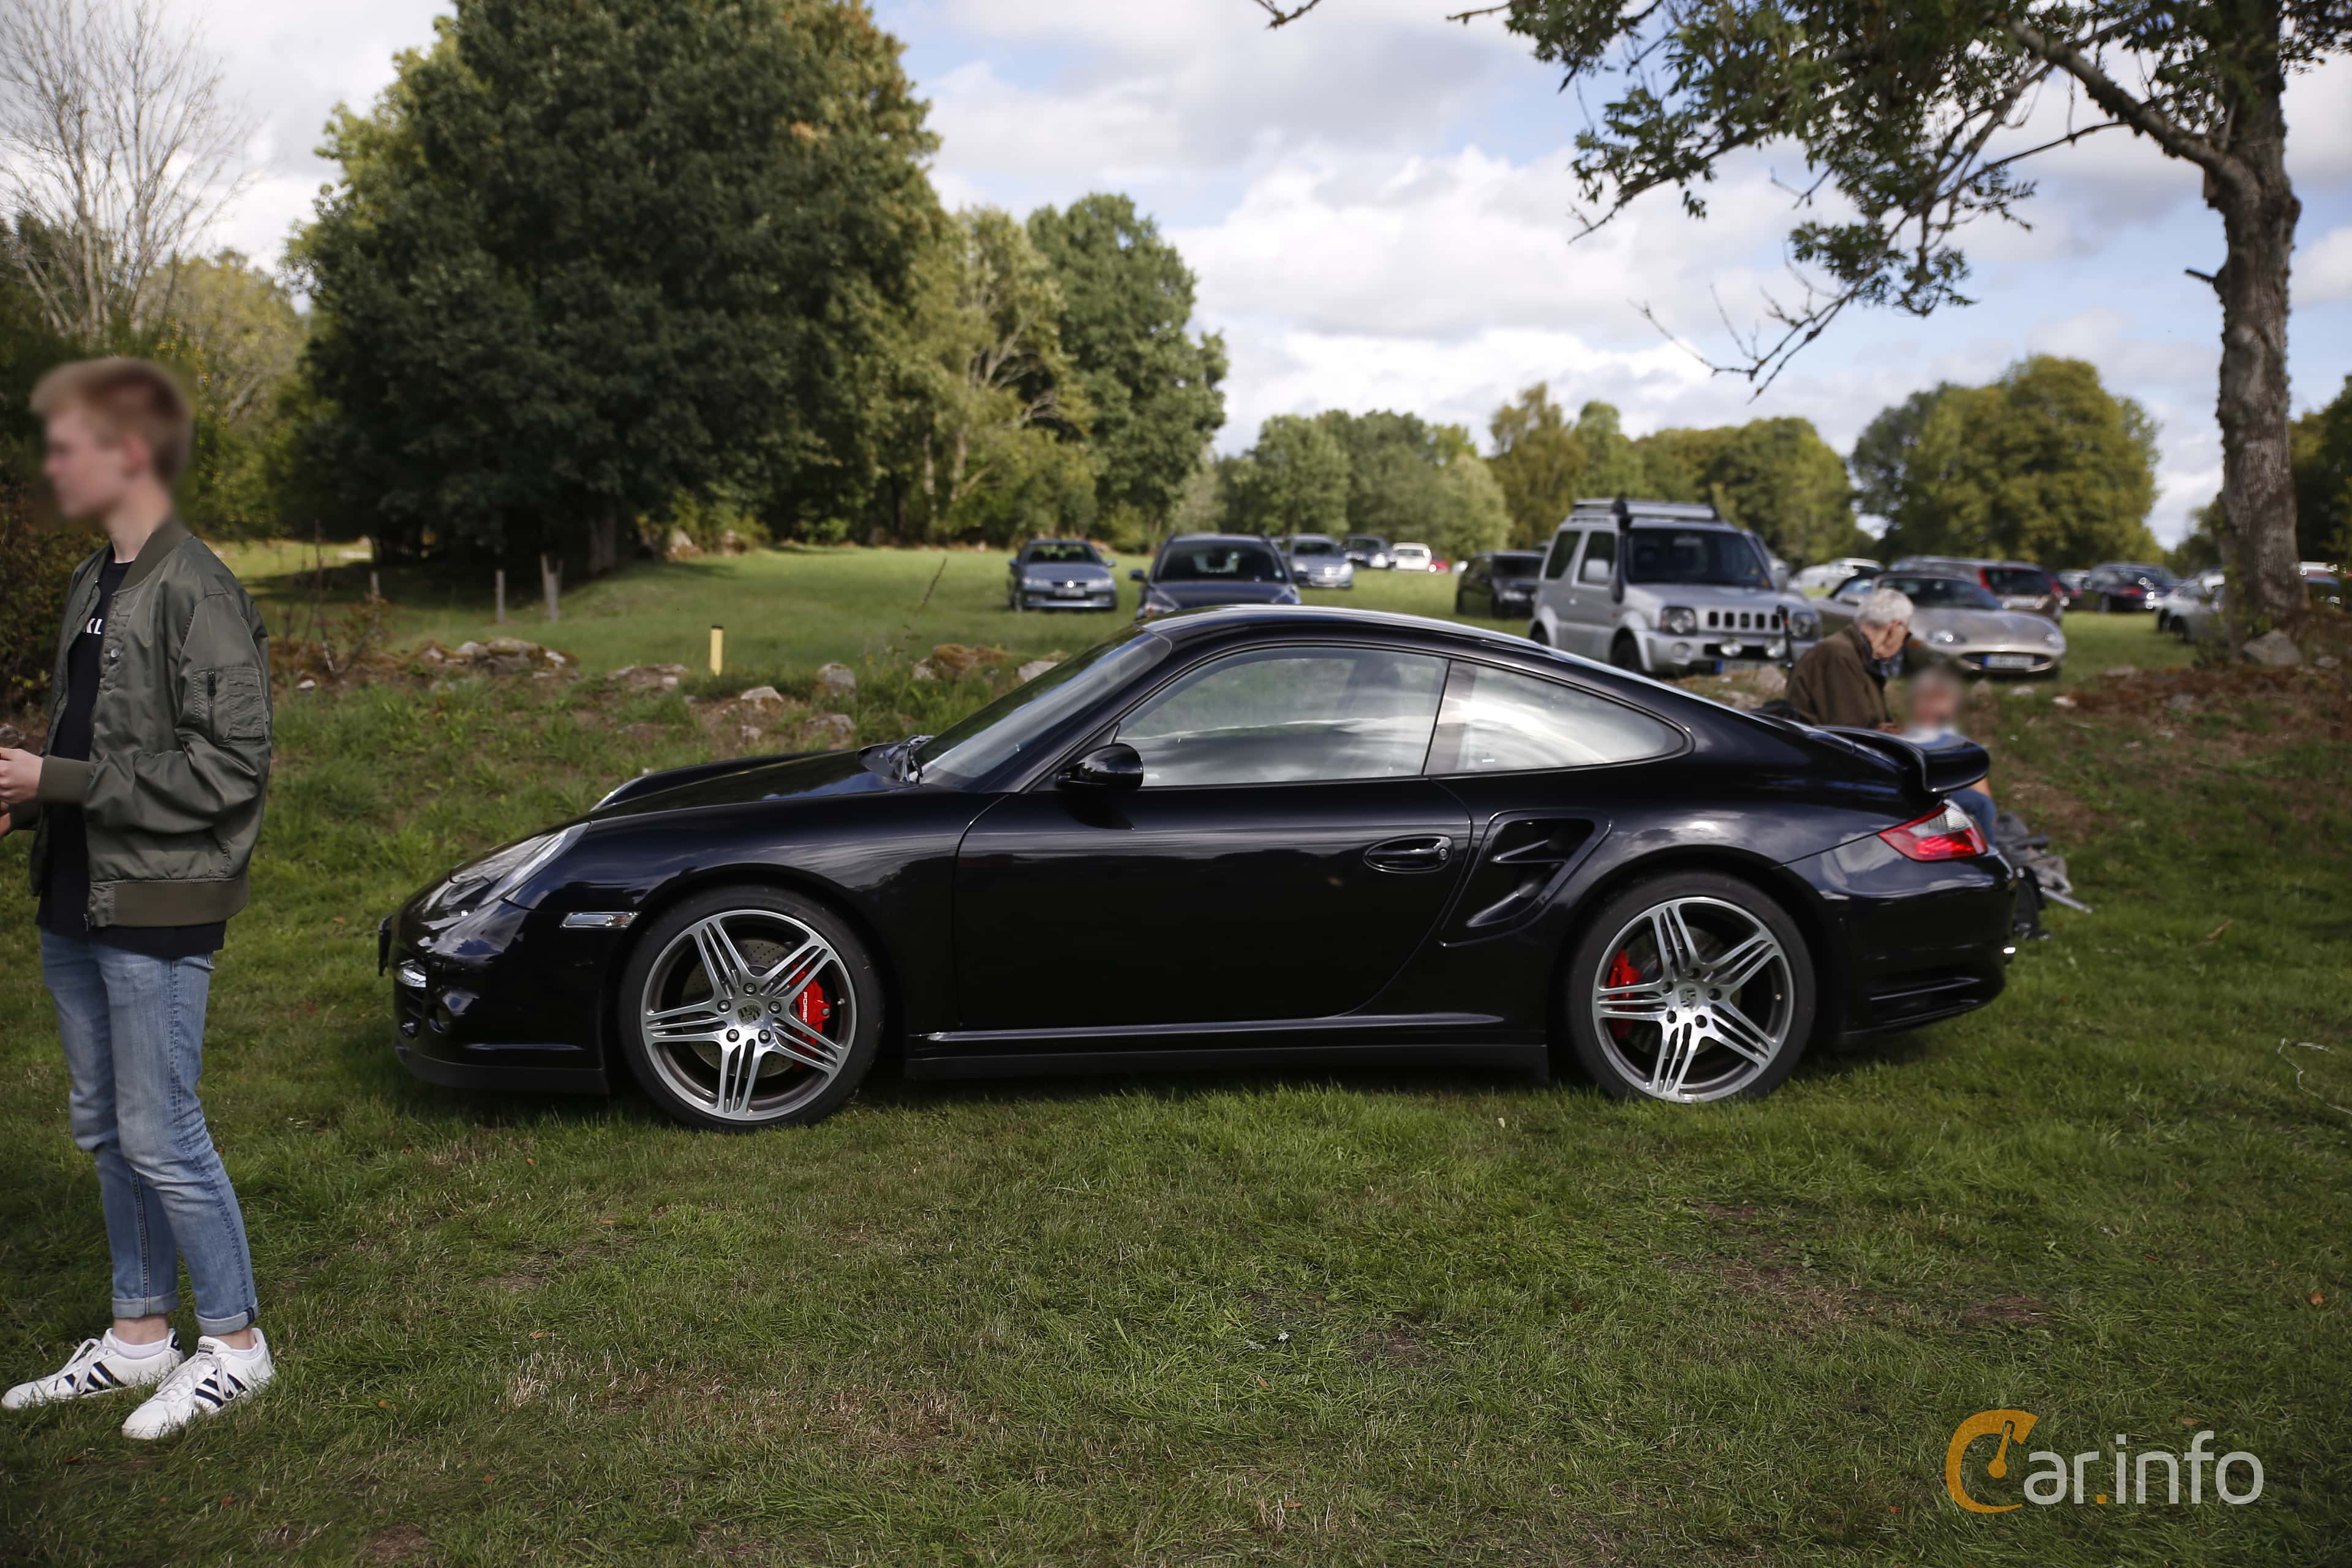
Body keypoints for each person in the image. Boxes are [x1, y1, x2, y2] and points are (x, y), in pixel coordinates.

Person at [0, 358, 277, 1439]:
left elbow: (229, 770)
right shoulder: (94, 579)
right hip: (80, 895)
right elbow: (96, 739)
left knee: (163, 1130)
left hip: (160, 902)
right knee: (108, 1128)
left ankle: (238, 1347)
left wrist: (60, 779)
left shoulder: (197, 589)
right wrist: (33, 800)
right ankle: (138, 1335)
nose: (53, 466)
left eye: (68, 447)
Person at [1787, 586, 1912, 729]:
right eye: (1906, 635)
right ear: (1894, 628)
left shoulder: (1858, 656)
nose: (1902, 644)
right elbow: (1850, 730)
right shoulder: (1838, 655)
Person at [1902, 664, 1997, 839]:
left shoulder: (1955, 739)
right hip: (1924, 797)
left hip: (1948, 797)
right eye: (1928, 699)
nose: (1933, 706)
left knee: (1983, 805)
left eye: (1940, 699)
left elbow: (1981, 788)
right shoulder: (1907, 736)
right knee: (1981, 805)